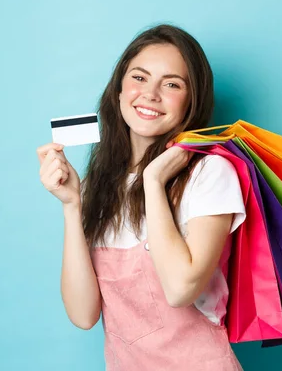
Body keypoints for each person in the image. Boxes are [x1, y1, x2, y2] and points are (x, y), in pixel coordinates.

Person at [36, 24, 246, 370]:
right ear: (118, 90)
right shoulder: (96, 188)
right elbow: (82, 314)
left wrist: (152, 180)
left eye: (172, 84)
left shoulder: (210, 175)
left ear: (192, 101)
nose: (150, 94)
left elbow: (180, 290)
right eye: (139, 78)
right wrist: (72, 205)